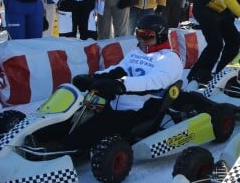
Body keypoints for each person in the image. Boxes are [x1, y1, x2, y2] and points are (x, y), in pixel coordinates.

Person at [27, 14, 183, 151]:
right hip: (116, 101)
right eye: (139, 34)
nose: (142, 39)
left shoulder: (170, 58)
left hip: (139, 110)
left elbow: (152, 82)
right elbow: (117, 70)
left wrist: (121, 85)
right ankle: (38, 134)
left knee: (98, 124)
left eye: (147, 35)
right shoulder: (136, 52)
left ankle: (62, 148)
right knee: (79, 111)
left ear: (161, 36)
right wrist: (93, 78)